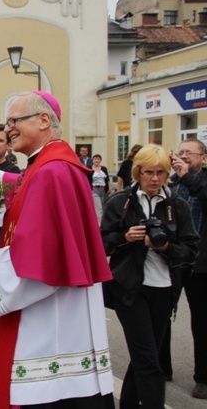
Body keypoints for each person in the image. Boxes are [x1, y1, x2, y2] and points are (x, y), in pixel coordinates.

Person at [0, 91, 115, 408]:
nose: (8, 128)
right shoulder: (49, 165)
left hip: (51, 326)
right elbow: (18, 185)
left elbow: (41, 258)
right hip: (58, 318)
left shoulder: (52, 172)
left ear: (43, 120)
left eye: (14, 120)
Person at [101, 144, 199, 409]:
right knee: (149, 361)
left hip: (164, 290)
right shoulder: (121, 202)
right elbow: (100, 243)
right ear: (137, 172)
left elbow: (191, 249)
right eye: (149, 173)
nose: (155, 178)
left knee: (146, 356)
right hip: (130, 290)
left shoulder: (176, 205)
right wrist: (125, 237)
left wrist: (165, 247)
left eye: (161, 173)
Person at [168, 138, 207, 399]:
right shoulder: (174, 184)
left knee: (202, 323)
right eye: (180, 152)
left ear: (203, 158)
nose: (183, 157)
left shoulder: (199, 181)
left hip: (200, 265)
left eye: (189, 154)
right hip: (173, 260)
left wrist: (187, 178)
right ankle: (160, 367)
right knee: (161, 314)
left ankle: (203, 377)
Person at [89, 154, 111, 223]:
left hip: (103, 189)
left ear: (100, 160)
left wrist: (109, 188)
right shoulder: (90, 168)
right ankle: (100, 223)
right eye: (95, 159)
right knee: (98, 207)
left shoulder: (103, 169)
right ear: (93, 160)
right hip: (94, 189)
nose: (96, 160)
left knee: (103, 205)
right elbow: (87, 179)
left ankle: (102, 220)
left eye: (98, 159)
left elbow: (107, 179)